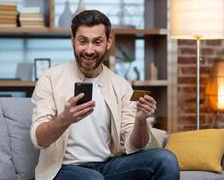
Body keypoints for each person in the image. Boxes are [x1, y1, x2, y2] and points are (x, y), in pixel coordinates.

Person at [30, 10, 180, 180]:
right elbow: (39, 139)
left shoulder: (121, 85)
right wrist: (65, 119)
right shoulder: (50, 78)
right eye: (82, 41)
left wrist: (140, 120)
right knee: (93, 179)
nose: (89, 50)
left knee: (166, 160)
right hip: (63, 169)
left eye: (97, 42)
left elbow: (134, 146)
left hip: (109, 166)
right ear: (72, 41)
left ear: (108, 42)